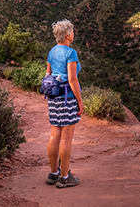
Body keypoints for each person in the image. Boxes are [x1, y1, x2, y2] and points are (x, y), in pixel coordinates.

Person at [45, 20, 84, 188]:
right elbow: (72, 78)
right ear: (67, 35)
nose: (74, 34)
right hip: (67, 98)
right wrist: (80, 101)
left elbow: (48, 74)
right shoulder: (70, 53)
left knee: (55, 135)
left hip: (53, 97)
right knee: (66, 138)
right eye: (72, 31)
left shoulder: (52, 52)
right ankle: (64, 177)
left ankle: (53, 173)